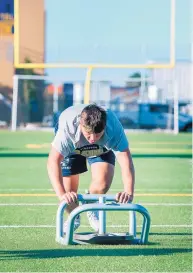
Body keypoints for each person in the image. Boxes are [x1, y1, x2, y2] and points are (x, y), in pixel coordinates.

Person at [47, 103, 135, 232]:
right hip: (73, 144)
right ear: (81, 125)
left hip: (102, 147)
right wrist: (62, 196)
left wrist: (129, 192)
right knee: (69, 193)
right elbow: (52, 162)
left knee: (102, 184)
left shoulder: (114, 128)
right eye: (89, 134)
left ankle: (91, 205)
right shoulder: (68, 130)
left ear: (104, 127)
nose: (93, 139)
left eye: (98, 134)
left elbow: (126, 161)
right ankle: (73, 215)